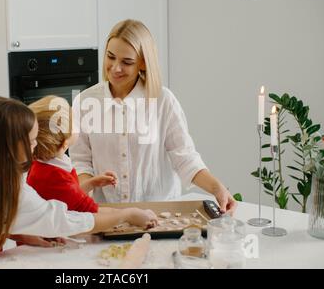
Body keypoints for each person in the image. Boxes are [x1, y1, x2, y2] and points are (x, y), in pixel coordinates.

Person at [0, 96, 157, 269]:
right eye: (31, 141)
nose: (35, 147)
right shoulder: (13, 192)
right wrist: (128, 214)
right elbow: (72, 220)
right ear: (12, 146)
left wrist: (22, 235)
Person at [69, 19, 237, 214]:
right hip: (108, 215)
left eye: (127, 62)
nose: (116, 68)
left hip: (160, 216)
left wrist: (218, 189)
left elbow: (185, 158)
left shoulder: (163, 100)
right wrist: (88, 184)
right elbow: (80, 161)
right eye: (111, 57)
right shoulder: (85, 101)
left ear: (142, 62)